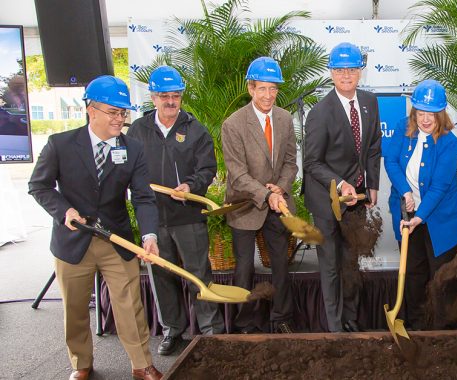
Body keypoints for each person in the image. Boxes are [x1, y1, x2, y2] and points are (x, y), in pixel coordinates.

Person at [28, 75, 163, 380]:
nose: (120, 119)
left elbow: (143, 197)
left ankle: (142, 364)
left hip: (116, 239)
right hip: (73, 241)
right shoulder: (60, 145)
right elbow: (39, 186)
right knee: (75, 308)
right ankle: (81, 363)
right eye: (113, 112)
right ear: (91, 109)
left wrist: (149, 235)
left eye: (123, 113)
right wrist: (65, 210)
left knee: (130, 304)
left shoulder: (134, 149)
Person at [127, 65, 224, 355]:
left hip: (188, 217)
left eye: (176, 95)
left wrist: (191, 186)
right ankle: (173, 331)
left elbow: (207, 169)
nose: (171, 101)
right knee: (161, 275)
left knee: (198, 274)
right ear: (153, 98)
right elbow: (130, 169)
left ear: (182, 96)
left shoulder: (196, 130)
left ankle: (210, 332)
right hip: (153, 218)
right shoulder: (137, 130)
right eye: (164, 96)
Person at [303, 42, 382, 333]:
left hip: (356, 200)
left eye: (351, 69)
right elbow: (312, 162)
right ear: (331, 73)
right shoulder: (320, 112)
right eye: (340, 70)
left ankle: (351, 319)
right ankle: (335, 328)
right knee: (331, 265)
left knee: (351, 261)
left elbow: (373, 146)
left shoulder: (370, 102)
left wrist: (371, 184)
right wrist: (342, 183)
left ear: (360, 71)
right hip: (326, 200)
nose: (346, 75)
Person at [222, 57, 298, 334]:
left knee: (280, 264)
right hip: (244, 204)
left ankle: (281, 318)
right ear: (251, 89)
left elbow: (291, 162)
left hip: (277, 204)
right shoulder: (233, 125)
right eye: (262, 88)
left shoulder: (285, 118)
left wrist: (282, 186)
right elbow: (238, 174)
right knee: (244, 268)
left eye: (273, 89)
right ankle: (246, 324)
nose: (268, 95)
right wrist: (266, 195)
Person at [384, 79, 457, 330]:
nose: (425, 120)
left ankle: (441, 330)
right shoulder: (402, 128)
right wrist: (405, 191)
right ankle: (417, 328)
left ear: (441, 114)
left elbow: (440, 187)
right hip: (407, 213)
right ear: (414, 112)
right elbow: (391, 162)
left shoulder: (449, 142)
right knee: (413, 274)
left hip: (442, 219)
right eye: (421, 113)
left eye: (431, 114)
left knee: (440, 278)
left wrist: (419, 216)